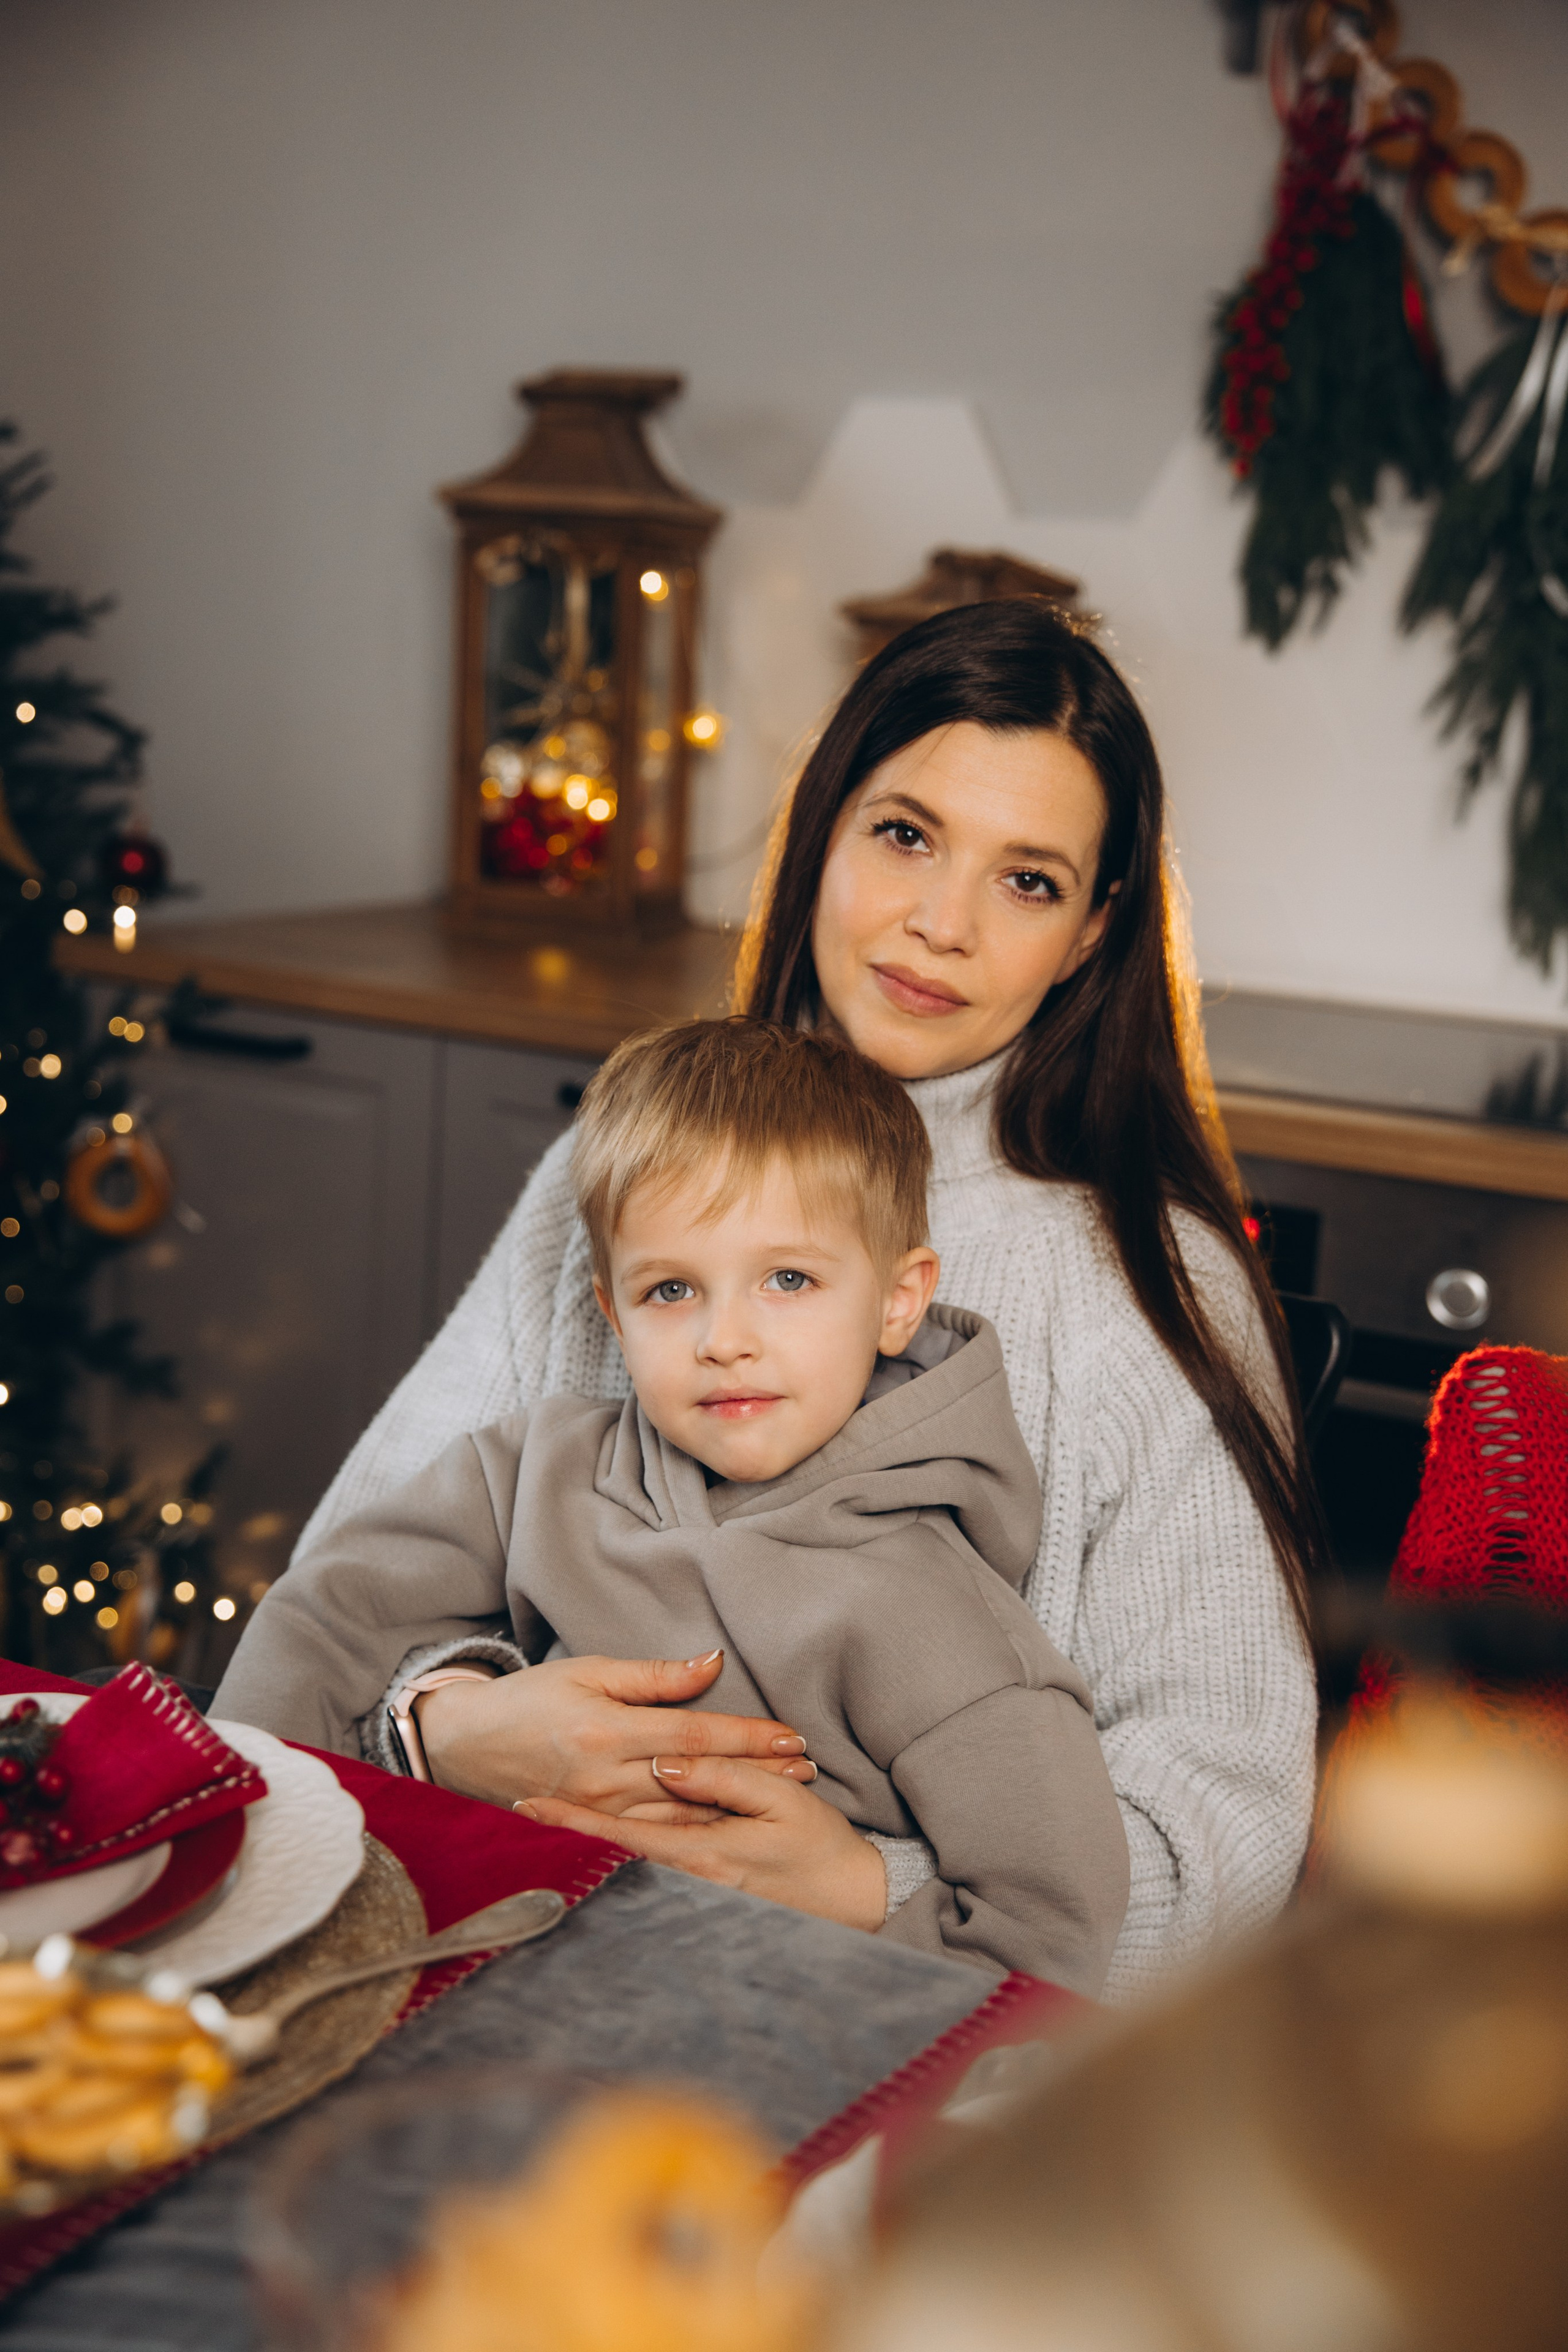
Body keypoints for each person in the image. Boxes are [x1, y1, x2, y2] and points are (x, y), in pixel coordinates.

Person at [211, 598, 1319, 2005]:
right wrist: (447, 1724)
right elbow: (363, 1565)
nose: (939, 923)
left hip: (900, 2036)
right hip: (520, 1949)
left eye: (1026, 881)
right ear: (821, 832)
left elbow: (1224, 1838)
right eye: (904, 834)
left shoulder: (1152, 1287)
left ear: (1093, 934)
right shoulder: (611, 1177)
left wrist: (873, 1891)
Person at [215, 1020, 1130, 1992]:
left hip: (750, 2038)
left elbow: (1047, 1925)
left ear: (899, 1301)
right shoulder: (538, 1469)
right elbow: (327, 1614)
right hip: (482, 1972)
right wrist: (240, 1851)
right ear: (612, 1312)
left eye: (788, 1280)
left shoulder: (935, 1614)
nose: (723, 1338)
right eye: (670, 1290)